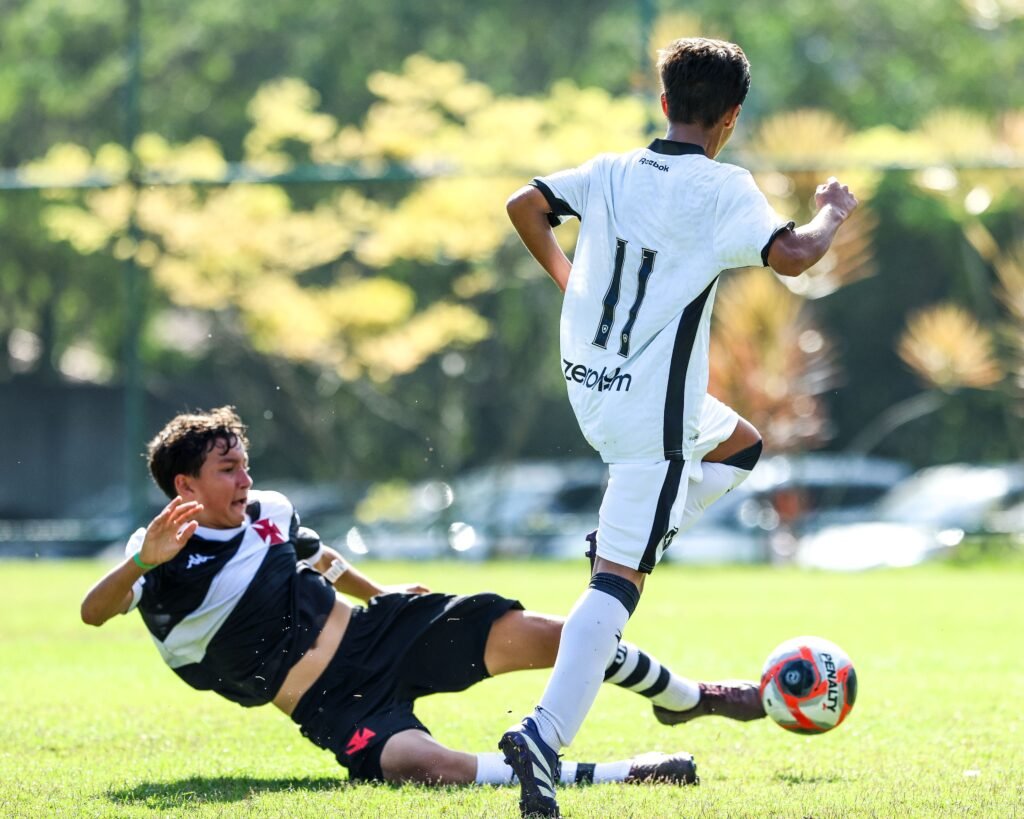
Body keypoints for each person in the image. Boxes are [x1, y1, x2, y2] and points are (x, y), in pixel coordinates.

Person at [502, 37, 859, 816]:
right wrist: (833, 209)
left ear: (664, 103)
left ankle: (634, 537)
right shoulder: (722, 187)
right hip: (645, 415)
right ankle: (542, 735)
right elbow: (794, 255)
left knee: (740, 444)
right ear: (731, 117)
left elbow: (523, 206)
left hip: (594, 388)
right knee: (616, 584)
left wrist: (569, 280)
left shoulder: (609, 170)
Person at [81, 406, 765, 789]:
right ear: (184, 486)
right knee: (424, 766)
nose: (244, 478)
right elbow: (95, 609)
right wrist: (143, 558)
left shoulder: (270, 509)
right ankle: (624, 774)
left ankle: (689, 696)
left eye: (244, 464)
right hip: (332, 702)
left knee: (559, 635)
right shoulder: (162, 549)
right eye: (227, 469)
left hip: (380, 633)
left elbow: (322, 557)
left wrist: (383, 593)